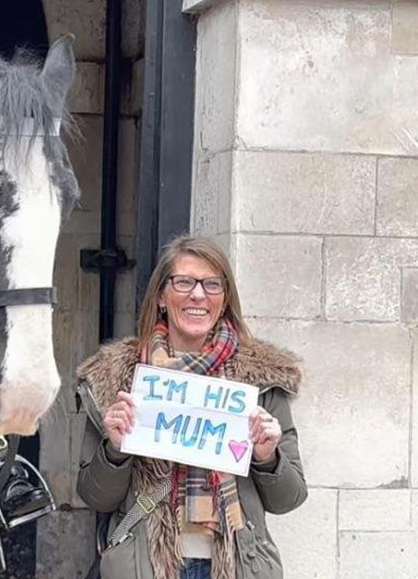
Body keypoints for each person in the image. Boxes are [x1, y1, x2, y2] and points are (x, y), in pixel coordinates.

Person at [76, 236, 307, 579]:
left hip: (235, 566)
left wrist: (267, 457)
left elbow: (289, 498)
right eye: (184, 282)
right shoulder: (118, 377)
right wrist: (115, 449)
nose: (198, 294)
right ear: (161, 296)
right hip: (144, 567)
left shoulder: (261, 380)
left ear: (225, 298)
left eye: (212, 284)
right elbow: (95, 496)